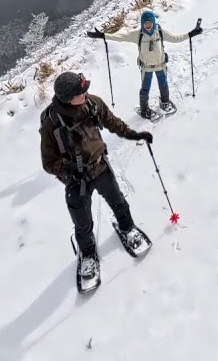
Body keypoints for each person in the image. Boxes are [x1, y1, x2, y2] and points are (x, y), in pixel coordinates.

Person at [39, 71, 153, 289]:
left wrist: (134, 134)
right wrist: (69, 167)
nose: (86, 93)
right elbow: (48, 162)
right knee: (82, 224)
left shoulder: (92, 103)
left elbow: (112, 122)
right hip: (75, 180)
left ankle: (127, 228)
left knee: (118, 200)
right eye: (80, 92)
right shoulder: (51, 125)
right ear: (67, 98)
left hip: (100, 166)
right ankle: (88, 255)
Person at [87, 10, 202, 120]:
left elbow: (175, 38)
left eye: (150, 23)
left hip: (160, 65)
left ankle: (165, 102)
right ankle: (144, 109)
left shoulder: (160, 32)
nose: (148, 26)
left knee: (163, 84)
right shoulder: (138, 34)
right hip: (146, 68)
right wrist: (103, 35)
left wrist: (191, 34)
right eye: (146, 24)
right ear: (142, 23)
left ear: (153, 22)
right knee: (145, 88)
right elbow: (121, 37)